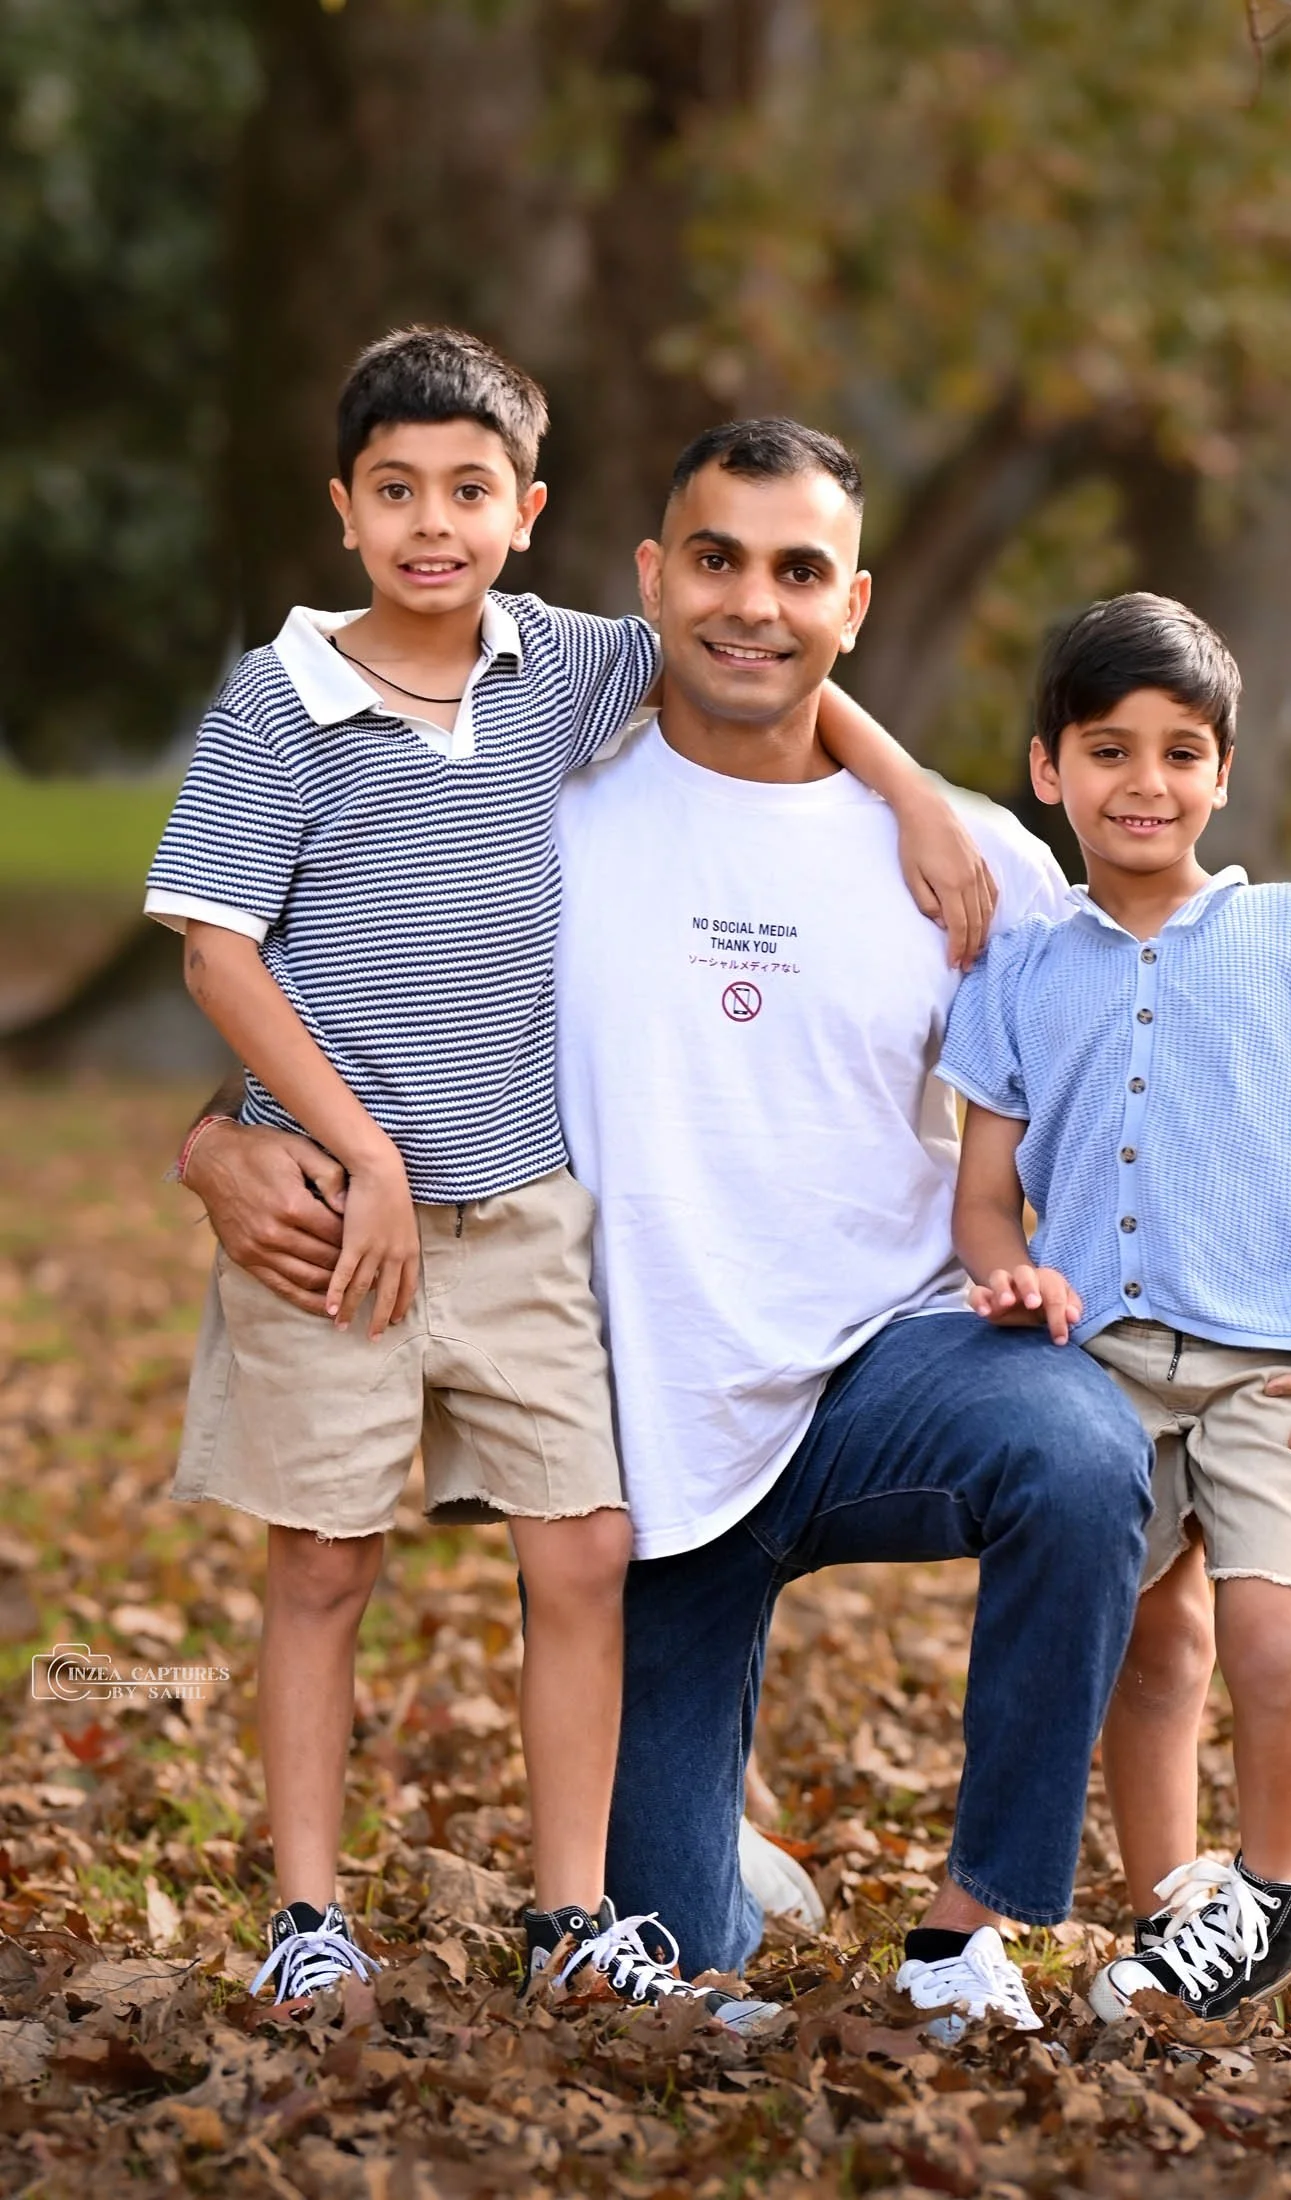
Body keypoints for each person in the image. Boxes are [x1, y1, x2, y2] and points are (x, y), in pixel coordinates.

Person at [183, 434, 1291, 2039]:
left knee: (1081, 1448)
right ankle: (720, 1866)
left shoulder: (975, 863)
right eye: (717, 561)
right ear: (649, 580)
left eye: (798, 571)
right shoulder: (544, 810)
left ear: (854, 603)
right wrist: (211, 1143)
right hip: (639, 1451)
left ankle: (973, 1923)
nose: (753, 605)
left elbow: (1165, 1043)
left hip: (887, 1374)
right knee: (681, 1952)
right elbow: (359, 978)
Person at [144, 332, 983, 2024]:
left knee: (584, 1546)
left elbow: (768, 644)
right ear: (343, 508)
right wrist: (347, 1149)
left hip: (523, 1209)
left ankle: (570, 1919)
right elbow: (215, 949)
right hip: (330, 1211)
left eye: (468, 491)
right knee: (322, 1557)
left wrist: (910, 793)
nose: (431, 526)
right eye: (395, 492)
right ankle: (307, 1912)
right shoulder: (280, 699)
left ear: (527, 513)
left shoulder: (563, 664)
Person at [939, 592, 1291, 2024]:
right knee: (1142, 1646)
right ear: (1048, 771)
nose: (1142, 784)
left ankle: (1267, 1887)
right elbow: (984, 1196)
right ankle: (1171, 1909)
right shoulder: (1021, 972)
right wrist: (1007, 1265)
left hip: (1286, 1358)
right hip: (1101, 1370)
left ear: (1221, 771)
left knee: (1275, 1640)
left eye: (1176, 753)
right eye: (1106, 751)